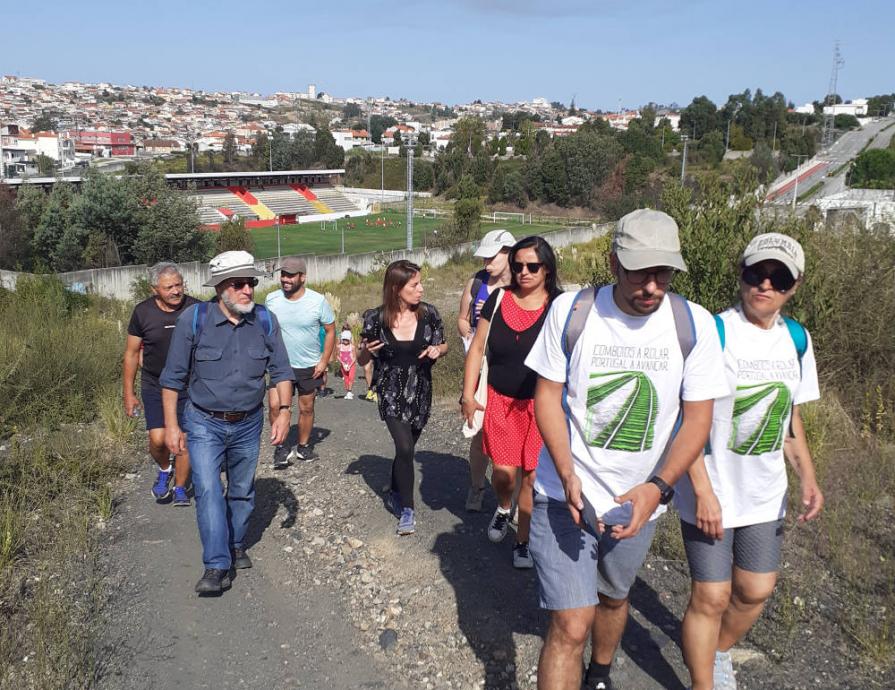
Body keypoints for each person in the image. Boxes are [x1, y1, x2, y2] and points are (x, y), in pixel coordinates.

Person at [525, 209, 728, 690]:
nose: (653, 286)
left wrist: (658, 489)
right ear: (615, 262)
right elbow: (547, 397)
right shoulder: (573, 312)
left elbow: (697, 417)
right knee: (571, 623)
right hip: (562, 494)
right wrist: (566, 472)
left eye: (664, 273)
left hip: (639, 501)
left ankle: (600, 673)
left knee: (614, 598)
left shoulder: (692, 325)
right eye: (642, 271)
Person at [675, 233, 824, 690]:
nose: (764, 284)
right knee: (712, 595)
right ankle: (704, 683)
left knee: (755, 590)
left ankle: (717, 652)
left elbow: (789, 415)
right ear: (740, 274)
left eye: (777, 277)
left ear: (794, 286)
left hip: (763, 492)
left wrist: (808, 476)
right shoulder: (712, 333)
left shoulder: (797, 340)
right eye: (755, 273)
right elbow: (685, 417)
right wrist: (702, 490)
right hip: (711, 489)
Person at [160, 251, 293, 594]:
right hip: (204, 423)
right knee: (206, 490)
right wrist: (173, 426)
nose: (248, 289)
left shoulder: (265, 320)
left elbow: (280, 371)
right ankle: (216, 565)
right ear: (220, 288)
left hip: (249, 424)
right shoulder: (194, 320)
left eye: (251, 282)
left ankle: (235, 544)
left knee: (242, 491)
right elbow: (172, 378)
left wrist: (284, 412)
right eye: (239, 284)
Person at [462, 236, 560, 569]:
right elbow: (476, 349)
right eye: (518, 266)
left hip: (541, 407)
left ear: (546, 268)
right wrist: (467, 394)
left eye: (532, 266)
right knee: (504, 474)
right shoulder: (499, 300)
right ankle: (504, 507)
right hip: (501, 403)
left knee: (531, 477)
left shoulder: (559, 305)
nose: (523, 272)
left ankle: (523, 542)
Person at [357, 260, 447, 536]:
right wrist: (365, 352)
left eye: (420, 283)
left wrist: (438, 351)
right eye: (414, 285)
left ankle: (396, 487)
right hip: (391, 390)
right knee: (406, 448)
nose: (421, 289)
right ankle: (407, 509)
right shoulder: (376, 318)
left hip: (420, 390)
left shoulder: (429, 314)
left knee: (405, 450)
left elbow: (443, 344)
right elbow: (363, 358)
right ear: (396, 288)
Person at [123, 262, 199, 506]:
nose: (176, 291)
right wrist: (129, 393)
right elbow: (132, 354)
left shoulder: (196, 308)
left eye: (179, 285)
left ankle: (179, 487)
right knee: (158, 439)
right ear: (154, 288)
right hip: (154, 383)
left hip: (188, 385)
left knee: (183, 439)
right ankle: (166, 469)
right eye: (169, 287)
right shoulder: (142, 312)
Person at [458, 229, 515, 512]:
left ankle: (509, 497)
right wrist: (467, 333)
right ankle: (477, 487)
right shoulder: (477, 281)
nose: (486, 262)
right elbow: (461, 318)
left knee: (511, 430)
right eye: (484, 256)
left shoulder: (522, 283)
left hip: (511, 367)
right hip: (479, 366)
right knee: (478, 430)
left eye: (492, 256)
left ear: (508, 252)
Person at [265, 257, 335, 467]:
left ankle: (304, 446)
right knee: (275, 405)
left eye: (290, 275)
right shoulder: (271, 299)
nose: (285, 279)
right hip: (279, 365)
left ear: (302, 277)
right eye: (283, 275)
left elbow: (331, 330)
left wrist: (324, 361)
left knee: (306, 408)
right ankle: (281, 447)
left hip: (308, 365)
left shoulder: (317, 301)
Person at [337, 328, 358, 399]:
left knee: (351, 378)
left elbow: (354, 357)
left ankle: (349, 391)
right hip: (343, 365)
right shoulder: (339, 347)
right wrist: (342, 363)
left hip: (351, 364)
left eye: (347, 339)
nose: (345, 341)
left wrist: (350, 365)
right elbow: (337, 356)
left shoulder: (352, 347)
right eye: (344, 339)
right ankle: (348, 391)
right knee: (346, 379)